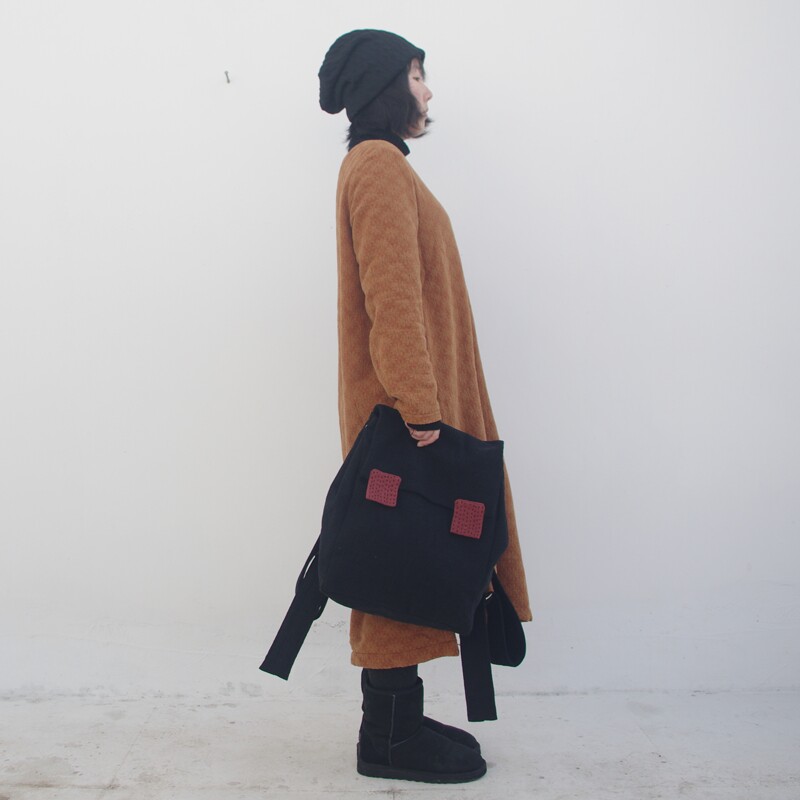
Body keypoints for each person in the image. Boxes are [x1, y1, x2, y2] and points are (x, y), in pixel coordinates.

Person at [318, 29, 532, 783]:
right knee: (398, 557)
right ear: (386, 85)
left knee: (405, 555)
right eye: (417, 74)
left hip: (408, 411)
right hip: (404, 417)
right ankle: (389, 738)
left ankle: (394, 725)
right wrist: (419, 409)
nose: (428, 90)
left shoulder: (382, 165)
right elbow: (394, 297)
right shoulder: (377, 165)